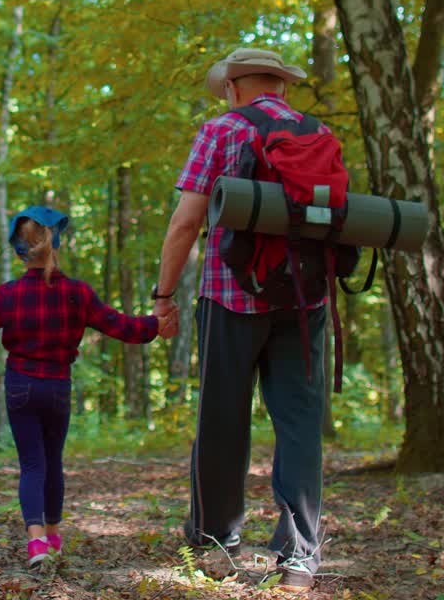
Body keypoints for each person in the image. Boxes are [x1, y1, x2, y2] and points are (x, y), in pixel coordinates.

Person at [152, 47, 327, 593]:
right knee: (299, 422)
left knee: (223, 417)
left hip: (231, 295)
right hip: (306, 300)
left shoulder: (221, 131)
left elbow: (186, 221)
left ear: (233, 86)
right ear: (282, 88)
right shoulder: (317, 133)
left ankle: (215, 542)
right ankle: (300, 558)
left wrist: (163, 295)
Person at [0, 207, 174, 567]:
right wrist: (157, 324)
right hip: (57, 389)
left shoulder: (8, 294)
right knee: (53, 464)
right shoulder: (78, 293)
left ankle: (36, 545)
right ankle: (54, 536)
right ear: (56, 245)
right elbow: (123, 327)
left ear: (20, 251)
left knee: (32, 465)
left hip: (20, 387)